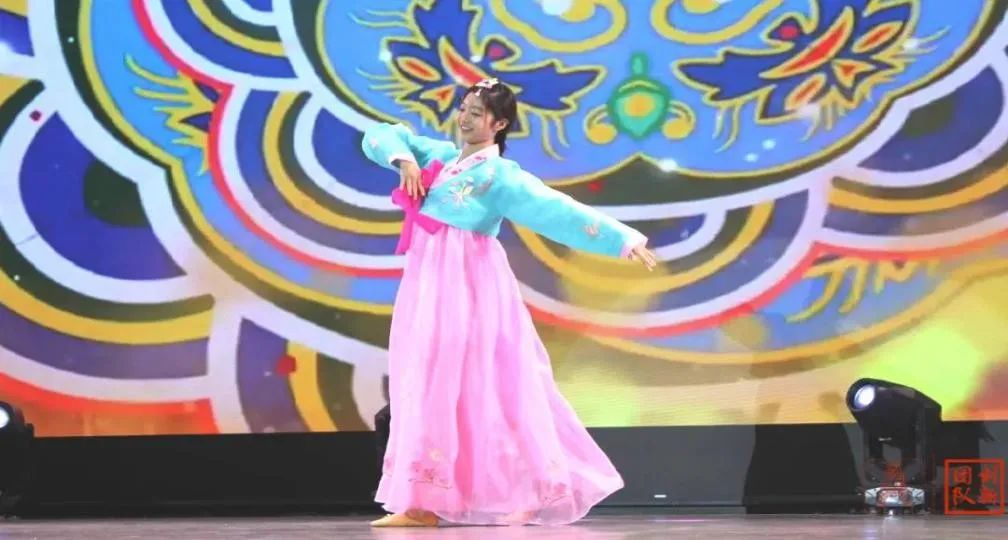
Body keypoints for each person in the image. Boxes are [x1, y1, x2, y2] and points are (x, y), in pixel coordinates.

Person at [362, 78, 657, 527]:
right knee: (424, 380)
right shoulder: (439, 157)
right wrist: (403, 159)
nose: (465, 118)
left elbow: (557, 209)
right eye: (464, 108)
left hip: (468, 287)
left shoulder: (499, 175)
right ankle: (422, 501)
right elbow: (381, 134)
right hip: (426, 286)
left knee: (484, 384)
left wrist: (622, 239)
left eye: (477, 113)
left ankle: (529, 488)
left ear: (499, 124)